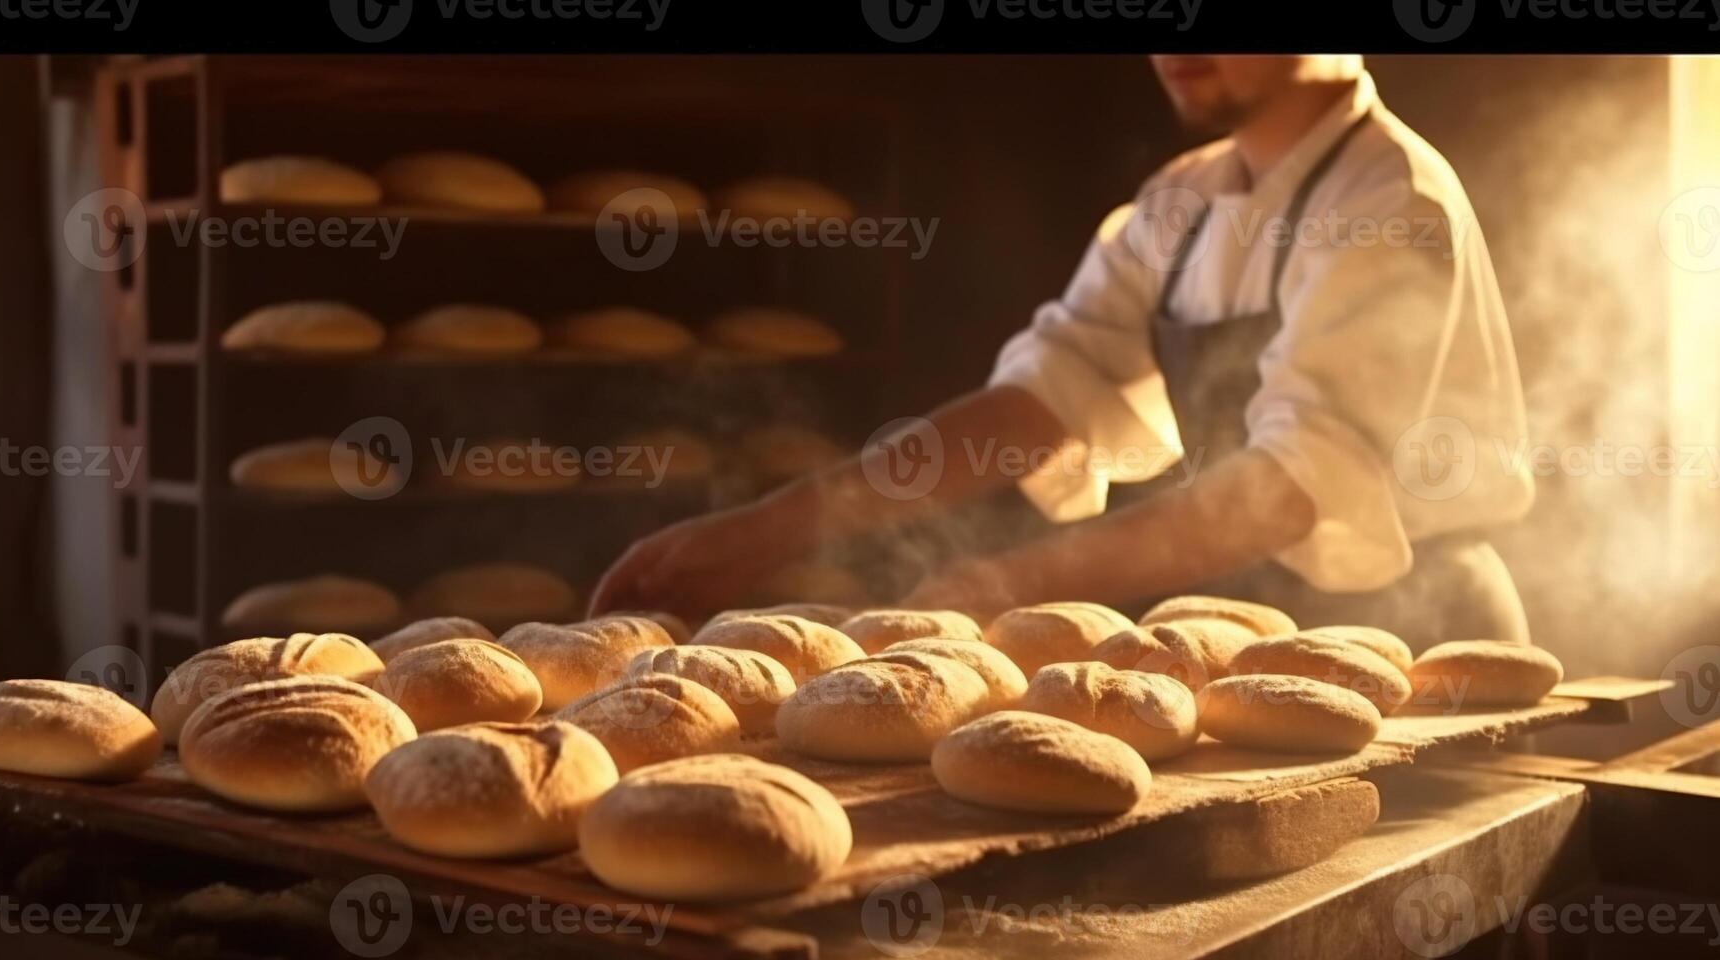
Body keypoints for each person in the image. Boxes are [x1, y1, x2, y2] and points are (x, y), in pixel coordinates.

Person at [591, 55, 1535, 650]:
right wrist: (766, 531)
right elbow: (1042, 398)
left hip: (1412, 643)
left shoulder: (1390, 201)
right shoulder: (1181, 197)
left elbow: (1294, 483)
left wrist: (1005, 583)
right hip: (1251, 638)